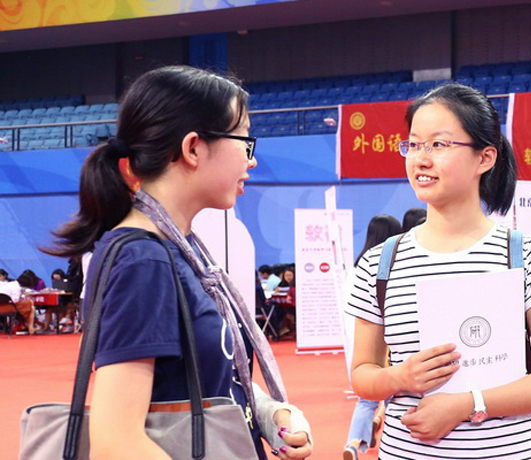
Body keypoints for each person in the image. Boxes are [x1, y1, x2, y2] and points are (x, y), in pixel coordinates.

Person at [41, 65, 312, 460]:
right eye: (245, 141)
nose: (251, 161)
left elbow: (192, 383)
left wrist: (267, 413)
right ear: (193, 148)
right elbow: (116, 444)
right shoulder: (142, 260)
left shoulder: (182, 249)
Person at [346, 82, 531, 460]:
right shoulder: (380, 263)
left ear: (485, 158)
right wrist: (399, 377)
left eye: (438, 144)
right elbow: (362, 374)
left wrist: (468, 404)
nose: (420, 159)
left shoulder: (525, 256)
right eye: (413, 145)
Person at [341, 214, 402, 460]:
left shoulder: (358, 267)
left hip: (358, 340)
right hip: (389, 344)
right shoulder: (390, 265)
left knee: (366, 399)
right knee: (396, 394)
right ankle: (381, 424)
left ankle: (354, 441)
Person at [0, 269, 37, 335]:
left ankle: (28, 327)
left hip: (3, 305)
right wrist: (21, 295)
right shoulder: (16, 288)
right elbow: (15, 300)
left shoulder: (10, 283)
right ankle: (31, 328)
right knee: (31, 305)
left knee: (29, 306)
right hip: (7, 307)